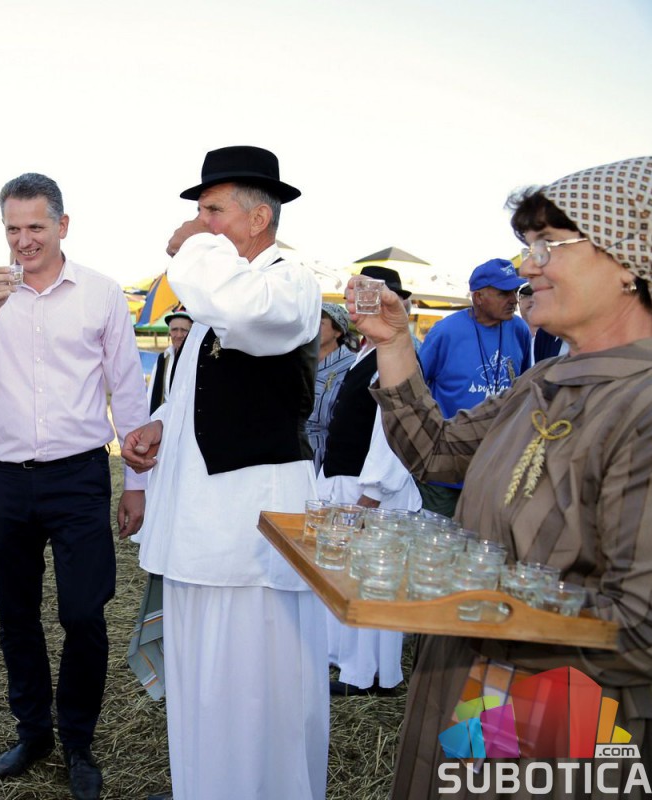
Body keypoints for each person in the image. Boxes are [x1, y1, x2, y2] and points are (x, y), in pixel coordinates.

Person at [347, 155, 652, 797]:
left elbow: (644, 629)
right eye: (526, 247)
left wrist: (479, 606)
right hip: (467, 687)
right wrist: (395, 343)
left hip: (569, 718)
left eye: (549, 245)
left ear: (630, 261)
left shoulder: (648, 405)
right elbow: (435, 452)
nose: (526, 266)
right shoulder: (542, 381)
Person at [123, 145, 328, 800]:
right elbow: (197, 391)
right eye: (200, 214)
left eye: (213, 211)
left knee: (254, 685)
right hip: (200, 530)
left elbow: (244, 313)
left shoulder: (286, 283)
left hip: (249, 533)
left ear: (259, 219)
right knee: (204, 685)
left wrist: (193, 246)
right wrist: (162, 424)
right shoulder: (221, 293)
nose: (199, 223)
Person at [0, 172, 148, 800]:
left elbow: (127, 387)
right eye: (12, 228)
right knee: (16, 614)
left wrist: (136, 482)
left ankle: (78, 739)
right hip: (5, 480)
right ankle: (33, 732)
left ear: (63, 225)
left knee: (84, 613)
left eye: (35, 226)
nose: (23, 240)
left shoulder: (101, 293)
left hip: (79, 477)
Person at [317, 269, 420, 696]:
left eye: (368, 297)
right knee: (352, 580)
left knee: (369, 583)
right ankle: (355, 666)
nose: (357, 305)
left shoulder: (394, 355)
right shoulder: (367, 351)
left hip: (371, 488)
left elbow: (391, 431)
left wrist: (370, 496)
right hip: (348, 478)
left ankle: (365, 675)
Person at [415, 258, 530, 516]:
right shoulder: (445, 332)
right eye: (504, 293)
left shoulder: (519, 329)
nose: (513, 299)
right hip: (446, 469)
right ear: (478, 297)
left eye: (515, 291)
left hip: (496, 466)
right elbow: (416, 388)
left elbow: (523, 388)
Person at [307, 302, 359, 471]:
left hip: (329, 454)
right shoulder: (301, 359)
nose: (314, 327)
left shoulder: (351, 365)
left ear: (338, 331)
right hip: (295, 449)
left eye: (321, 323)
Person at [148, 308, 192, 413]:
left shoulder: (197, 360)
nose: (179, 335)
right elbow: (152, 394)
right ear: (169, 332)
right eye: (174, 330)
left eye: (184, 330)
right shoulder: (163, 359)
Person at [518, 282, 566, 366]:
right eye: (526, 296)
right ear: (518, 301)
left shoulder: (554, 335)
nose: (532, 300)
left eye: (537, 294)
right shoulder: (511, 335)